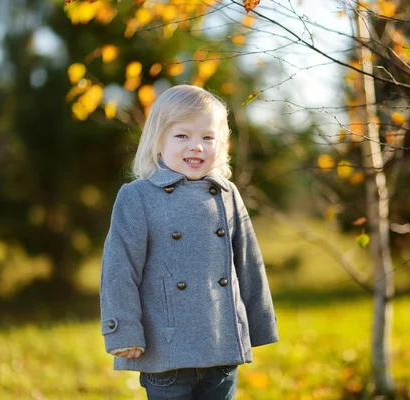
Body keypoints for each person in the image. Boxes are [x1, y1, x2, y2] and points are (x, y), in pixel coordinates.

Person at [100, 85, 279, 400]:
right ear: (158, 141)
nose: (196, 146)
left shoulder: (227, 194)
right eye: (182, 136)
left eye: (207, 137)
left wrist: (259, 325)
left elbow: (249, 263)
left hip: (221, 347)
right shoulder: (138, 196)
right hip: (167, 353)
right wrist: (123, 331)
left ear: (221, 145)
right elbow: (119, 269)